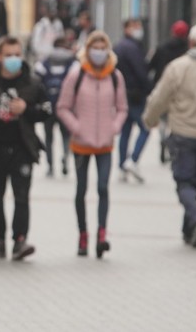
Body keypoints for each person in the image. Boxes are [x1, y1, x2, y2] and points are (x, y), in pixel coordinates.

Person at [0, 36, 51, 260]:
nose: (13, 59)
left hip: (22, 148)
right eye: (8, 55)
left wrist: (27, 109)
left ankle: (20, 241)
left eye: (17, 54)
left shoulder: (32, 82)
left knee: (21, 197)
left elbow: (46, 110)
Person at [143, 23, 196, 249]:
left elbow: (159, 97)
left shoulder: (178, 67)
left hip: (184, 133)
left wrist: (150, 120)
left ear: (191, 42)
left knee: (184, 181)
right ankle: (190, 231)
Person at [57, 30, 128, 258]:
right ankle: (83, 234)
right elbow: (63, 107)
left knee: (103, 188)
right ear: (87, 50)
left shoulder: (115, 76)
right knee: (81, 190)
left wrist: (114, 127)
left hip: (105, 144)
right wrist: (76, 127)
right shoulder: (76, 75)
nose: (99, 52)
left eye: (102, 48)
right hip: (81, 143)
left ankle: (101, 234)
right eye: (94, 48)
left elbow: (122, 108)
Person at [114, 18, 151, 183]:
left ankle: (122, 165)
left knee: (126, 131)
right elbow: (141, 71)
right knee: (146, 127)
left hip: (123, 94)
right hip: (136, 95)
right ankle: (132, 160)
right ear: (127, 28)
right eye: (136, 26)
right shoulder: (132, 48)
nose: (139, 29)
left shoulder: (119, 46)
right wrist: (149, 89)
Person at [34, 37, 76, 177]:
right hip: (66, 107)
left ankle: (50, 165)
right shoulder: (72, 63)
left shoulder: (44, 62)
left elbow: (36, 82)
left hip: (48, 106)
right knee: (66, 136)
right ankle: (65, 158)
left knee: (49, 138)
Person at [149, 20, 189, 163]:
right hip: (183, 92)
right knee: (177, 120)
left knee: (164, 120)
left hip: (164, 88)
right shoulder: (188, 50)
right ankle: (171, 143)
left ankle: (163, 140)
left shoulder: (162, 47)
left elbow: (150, 66)